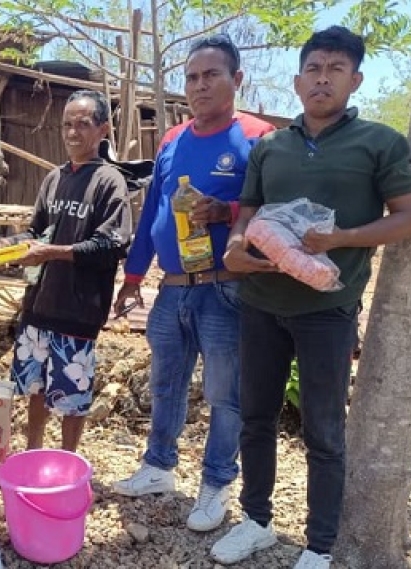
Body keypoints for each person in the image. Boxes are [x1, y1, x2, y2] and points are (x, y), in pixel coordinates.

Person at [211, 26, 411, 569]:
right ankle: (256, 520)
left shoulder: (379, 142)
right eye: (313, 68)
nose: (322, 78)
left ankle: (319, 547)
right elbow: (249, 213)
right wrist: (235, 248)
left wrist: (342, 239)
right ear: (297, 79)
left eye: (334, 69)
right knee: (255, 418)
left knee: (324, 431)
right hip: (259, 299)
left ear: (355, 80)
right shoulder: (271, 146)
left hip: (327, 310)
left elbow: (409, 218)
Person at [111, 35, 275, 532]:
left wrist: (224, 211)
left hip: (226, 288)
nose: (200, 86)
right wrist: (134, 275)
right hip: (173, 286)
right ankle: (159, 467)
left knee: (226, 395)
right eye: (192, 77)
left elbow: (272, 212)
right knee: (166, 383)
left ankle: (216, 484)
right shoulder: (172, 140)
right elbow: (153, 214)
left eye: (212, 75)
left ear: (236, 80)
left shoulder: (258, 137)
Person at [0, 90, 132, 453]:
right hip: (39, 304)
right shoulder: (54, 179)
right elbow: (37, 229)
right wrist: (12, 246)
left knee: (73, 397)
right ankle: (34, 453)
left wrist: (51, 252)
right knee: (36, 388)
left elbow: (112, 245)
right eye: (67, 125)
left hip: (78, 310)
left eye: (83, 124)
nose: (73, 132)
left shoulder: (109, 182)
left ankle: (68, 462)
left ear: (103, 129)